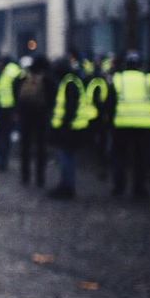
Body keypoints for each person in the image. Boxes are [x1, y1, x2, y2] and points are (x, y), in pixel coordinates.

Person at [110, 50, 150, 198]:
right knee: (141, 158)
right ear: (139, 64)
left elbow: (110, 102)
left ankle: (119, 187)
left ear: (126, 64)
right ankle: (139, 189)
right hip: (145, 125)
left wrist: (108, 118)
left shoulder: (118, 79)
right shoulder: (148, 79)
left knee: (119, 157)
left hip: (122, 124)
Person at [47, 57, 88, 200]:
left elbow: (71, 107)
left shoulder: (70, 82)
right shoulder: (70, 81)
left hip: (70, 129)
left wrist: (64, 124)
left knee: (66, 158)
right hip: (70, 128)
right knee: (66, 158)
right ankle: (66, 185)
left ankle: (67, 187)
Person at [15, 55, 52, 187]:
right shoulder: (47, 80)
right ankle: (40, 178)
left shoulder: (24, 78)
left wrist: (18, 113)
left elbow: (17, 97)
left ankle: (25, 176)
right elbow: (52, 99)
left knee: (25, 147)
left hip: (25, 117)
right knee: (41, 148)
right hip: (41, 117)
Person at [0, 55, 22, 172]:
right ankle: (2, 161)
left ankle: (3, 162)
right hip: (7, 108)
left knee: (4, 136)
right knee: (4, 136)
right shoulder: (10, 71)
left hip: (8, 109)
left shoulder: (11, 72)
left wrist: (16, 110)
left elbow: (17, 92)